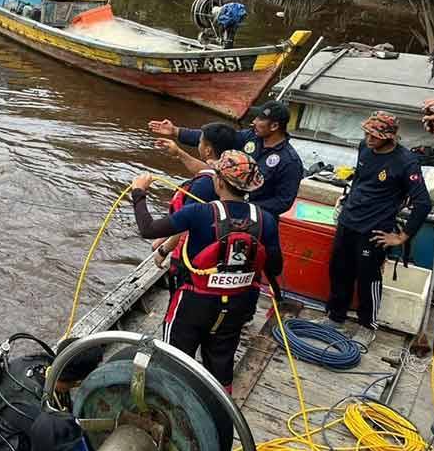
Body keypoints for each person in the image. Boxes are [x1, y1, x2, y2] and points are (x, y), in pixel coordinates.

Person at [130, 151, 283, 391]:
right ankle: (219, 404)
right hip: (238, 306)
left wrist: (139, 192)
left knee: (175, 363)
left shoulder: (199, 213)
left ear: (219, 182)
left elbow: (148, 229)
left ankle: (172, 402)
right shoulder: (266, 220)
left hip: (193, 305)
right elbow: (275, 267)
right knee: (221, 365)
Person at [325, 112, 431, 333]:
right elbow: (361, 179)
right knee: (339, 271)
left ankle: (367, 327)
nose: (369, 139)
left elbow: (423, 203)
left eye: (375, 136)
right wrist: (347, 203)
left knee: (368, 279)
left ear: (390, 137)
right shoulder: (364, 147)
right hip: (348, 222)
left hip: (373, 230)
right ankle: (335, 317)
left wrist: (401, 237)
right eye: (367, 133)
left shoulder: (406, 162)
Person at [148, 100, 304, 217]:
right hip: (226, 209)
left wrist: (245, 207)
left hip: (255, 218)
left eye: (259, 119)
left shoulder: (290, 162)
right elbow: (216, 139)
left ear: (274, 126)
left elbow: (283, 202)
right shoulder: (251, 137)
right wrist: (176, 131)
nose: (254, 122)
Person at [152, 122, 238, 291]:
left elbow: (185, 225)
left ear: (207, 150)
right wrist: (179, 153)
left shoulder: (203, 185)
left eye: (200, 141)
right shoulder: (230, 173)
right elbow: (206, 169)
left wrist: (163, 250)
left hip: (193, 254)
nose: (198, 144)